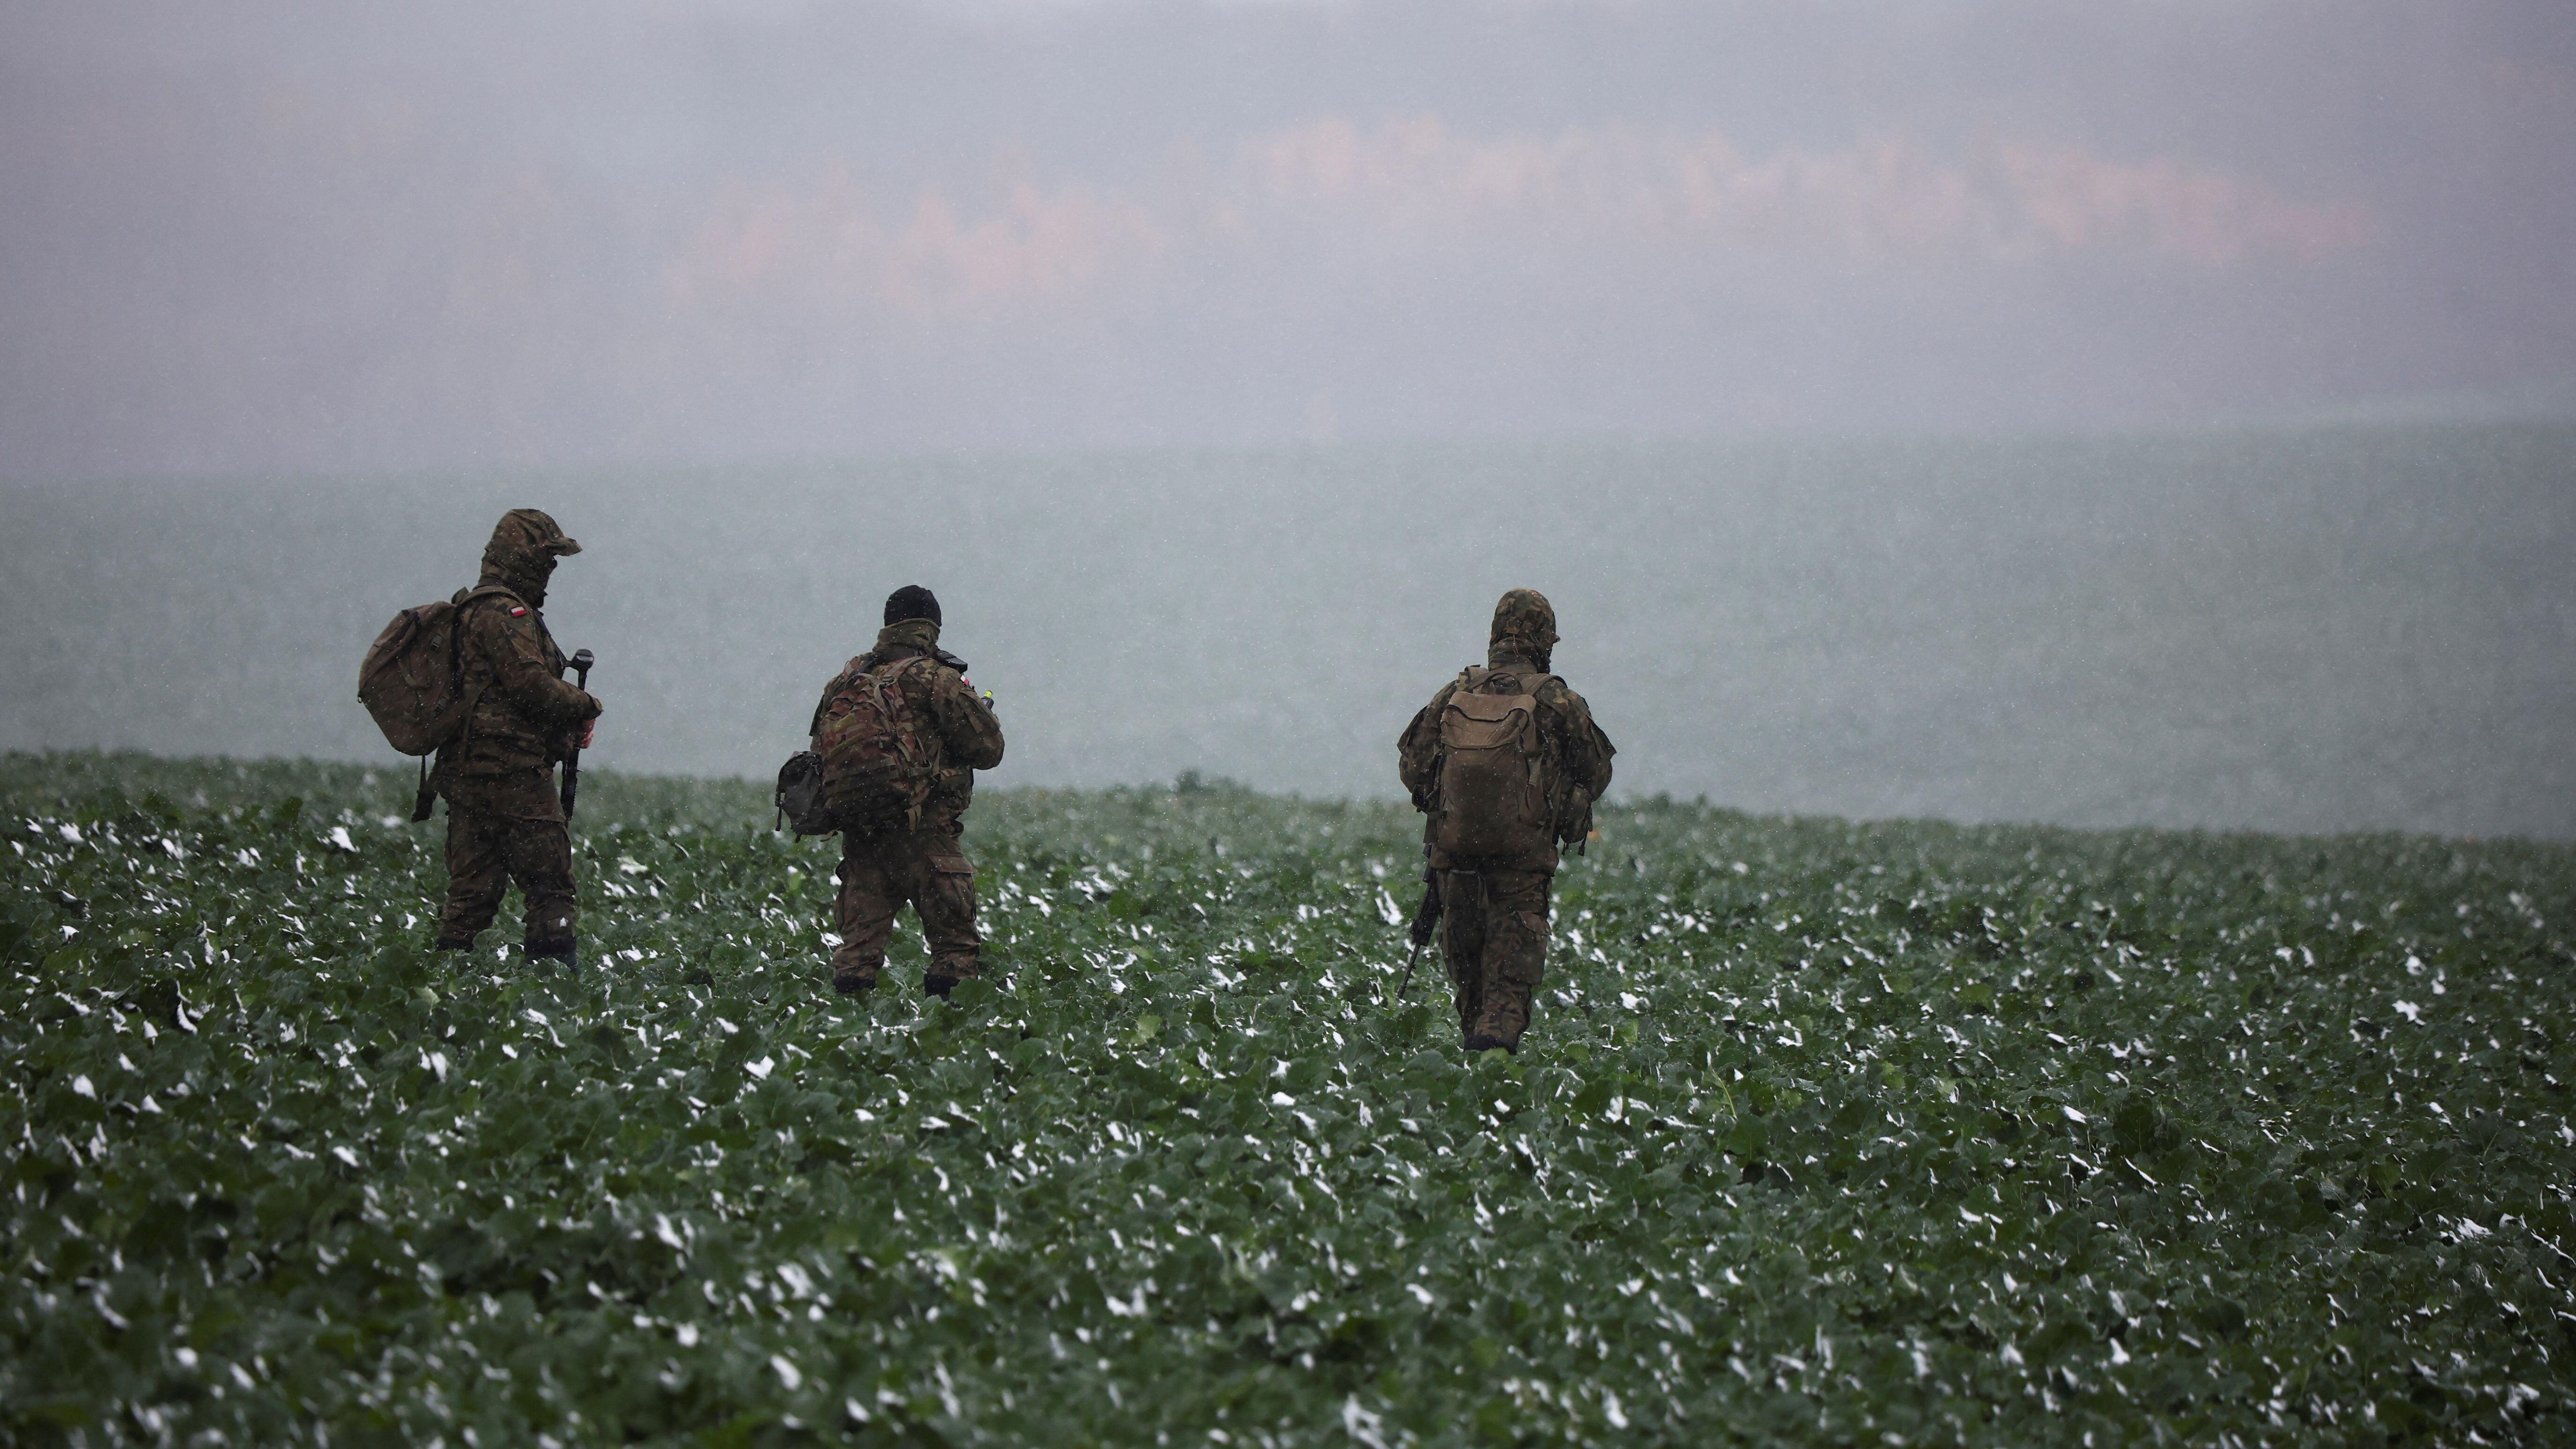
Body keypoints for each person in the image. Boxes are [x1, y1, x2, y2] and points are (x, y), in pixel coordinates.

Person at [1397, 588, 1614, 1053]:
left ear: (1495, 635)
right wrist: (1555, 804)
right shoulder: (1556, 698)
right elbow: (1597, 770)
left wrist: (1449, 807)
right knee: (1508, 984)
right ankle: (1494, 1072)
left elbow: (1412, 764)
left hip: (1454, 859)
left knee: (1469, 978)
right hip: (1521, 864)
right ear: (1544, 639)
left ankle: (1471, 1087)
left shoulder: (1457, 692)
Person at [811, 585, 1006, 997]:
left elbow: (819, 754)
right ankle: (946, 1041)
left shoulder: (847, 681)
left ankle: (846, 1041)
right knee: (954, 949)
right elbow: (988, 750)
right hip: (925, 832)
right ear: (931, 627)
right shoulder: (934, 677)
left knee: (857, 953)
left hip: (862, 831)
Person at [430, 509, 602, 961]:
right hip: (512, 772)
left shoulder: (469, 611)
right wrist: (588, 704)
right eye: (546, 562)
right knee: (551, 888)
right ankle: (552, 994)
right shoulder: (506, 613)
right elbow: (530, 686)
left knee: (472, 890)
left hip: (466, 772)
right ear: (523, 559)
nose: (550, 572)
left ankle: (444, 985)